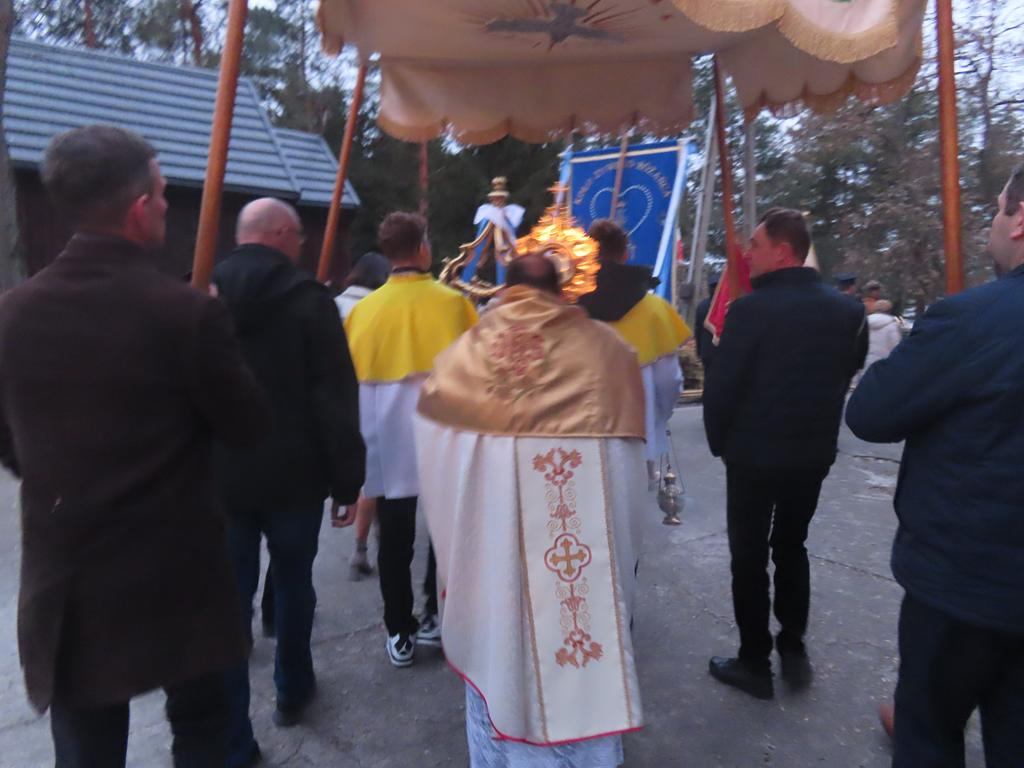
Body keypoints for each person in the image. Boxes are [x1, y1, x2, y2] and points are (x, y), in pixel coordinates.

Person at [0, 125, 269, 767]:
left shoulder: (10, 315)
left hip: (69, 573)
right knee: (202, 734)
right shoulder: (188, 313)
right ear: (140, 208)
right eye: (164, 193)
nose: (168, 206)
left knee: (86, 750)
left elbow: (11, 444)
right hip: (179, 573)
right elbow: (249, 428)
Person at [415, 252, 647, 766]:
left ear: (504, 288)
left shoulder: (463, 357)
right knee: (581, 644)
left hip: (494, 565)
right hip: (583, 563)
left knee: (504, 651)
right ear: (562, 290)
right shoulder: (609, 352)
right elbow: (631, 472)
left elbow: (435, 464)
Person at [846, 164, 1024, 767]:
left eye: (997, 209)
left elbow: (871, 413)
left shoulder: (972, 319)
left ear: (1019, 219)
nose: (991, 223)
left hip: (966, 586)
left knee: (928, 735)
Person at [213, 198, 365, 766]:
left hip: (222, 476)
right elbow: (334, 396)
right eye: (298, 235)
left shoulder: (202, 290)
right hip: (294, 476)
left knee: (228, 601)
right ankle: (291, 690)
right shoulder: (309, 301)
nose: (303, 245)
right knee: (295, 584)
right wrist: (347, 482)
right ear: (279, 233)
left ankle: (232, 731)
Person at [703, 207, 867, 699]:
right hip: (811, 453)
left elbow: (724, 386)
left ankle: (755, 661)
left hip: (753, 456)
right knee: (792, 546)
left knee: (749, 557)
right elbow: (849, 368)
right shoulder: (847, 310)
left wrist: (720, 441)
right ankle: (793, 647)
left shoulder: (749, 311)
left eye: (754, 244)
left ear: (783, 251)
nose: (746, 254)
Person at [345, 212, 477, 667]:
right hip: (443, 427)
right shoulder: (453, 304)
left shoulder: (363, 311)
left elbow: (351, 382)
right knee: (444, 532)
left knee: (394, 535)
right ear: (422, 248)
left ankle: (399, 630)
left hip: (384, 435)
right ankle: (437, 616)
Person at [581, 219, 692, 485]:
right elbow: (669, 380)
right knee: (633, 502)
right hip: (637, 431)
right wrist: (659, 416)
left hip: (579, 434)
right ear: (625, 254)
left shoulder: (568, 308)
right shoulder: (655, 309)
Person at [334, 251, 391, 579]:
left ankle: (364, 544)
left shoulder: (334, 305)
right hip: (372, 393)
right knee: (375, 475)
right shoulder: (380, 308)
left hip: (339, 397)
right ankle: (365, 545)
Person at [862, 299, 902, 374]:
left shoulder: (864, 322)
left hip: (864, 361)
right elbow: (896, 345)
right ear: (889, 310)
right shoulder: (892, 325)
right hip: (883, 362)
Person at [695, 274, 720, 374]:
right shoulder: (725, 306)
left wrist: (699, 350)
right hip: (718, 351)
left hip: (706, 350)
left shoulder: (702, 306)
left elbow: (697, 330)